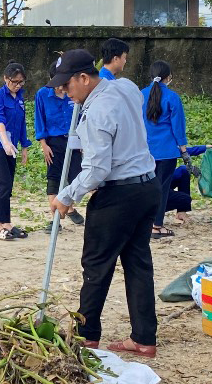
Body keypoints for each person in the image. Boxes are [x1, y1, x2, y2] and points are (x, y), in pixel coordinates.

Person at [48, 49, 160, 357]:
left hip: (118, 194)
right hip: (148, 186)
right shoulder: (124, 88)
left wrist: (66, 196)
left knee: (96, 264)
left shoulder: (96, 112)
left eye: (67, 86)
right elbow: (124, 91)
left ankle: (86, 335)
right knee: (138, 263)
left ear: (84, 78)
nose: (64, 93)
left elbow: (97, 169)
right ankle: (143, 338)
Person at [140, 60, 189, 239]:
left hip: (145, 150)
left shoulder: (140, 95)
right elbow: (178, 127)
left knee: (145, 186)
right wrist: (183, 150)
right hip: (167, 151)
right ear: (168, 77)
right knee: (161, 188)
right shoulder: (172, 97)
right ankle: (157, 225)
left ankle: (143, 223)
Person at [0, 60, 32, 240]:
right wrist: (4, 141)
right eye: (14, 82)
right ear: (5, 79)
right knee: (2, 184)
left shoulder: (20, 96)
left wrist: (24, 146)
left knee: (9, 185)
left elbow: (21, 123)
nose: (18, 85)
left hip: (11, 146)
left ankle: (6, 223)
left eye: (21, 82)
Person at [35, 60, 84, 226]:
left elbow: (82, 118)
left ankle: (68, 207)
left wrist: (84, 142)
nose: (60, 88)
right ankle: (55, 218)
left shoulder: (74, 93)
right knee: (54, 177)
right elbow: (39, 119)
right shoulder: (42, 94)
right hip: (53, 141)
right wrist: (43, 144)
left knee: (76, 175)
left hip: (74, 139)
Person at [166, 145, 211, 223]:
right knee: (185, 199)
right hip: (152, 189)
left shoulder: (163, 144)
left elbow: (180, 151)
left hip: (162, 182)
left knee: (184, 170)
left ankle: (181, 212)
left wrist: (205, 148)